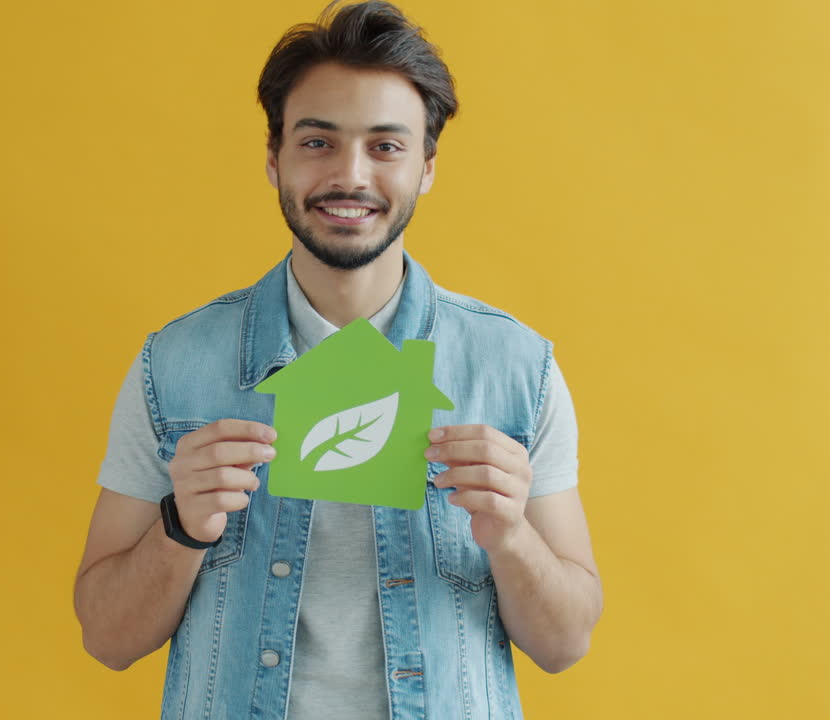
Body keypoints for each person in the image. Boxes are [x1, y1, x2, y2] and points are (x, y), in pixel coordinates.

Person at [73, 2, 602, 718]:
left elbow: (566, 644)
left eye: (385, 146)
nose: (350, 175)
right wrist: (180, 528)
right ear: (275, 158)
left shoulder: (514, 368)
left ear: (427, 168)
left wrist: (511, 538)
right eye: (318, 141)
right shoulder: (176, 366)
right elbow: (106, 638)